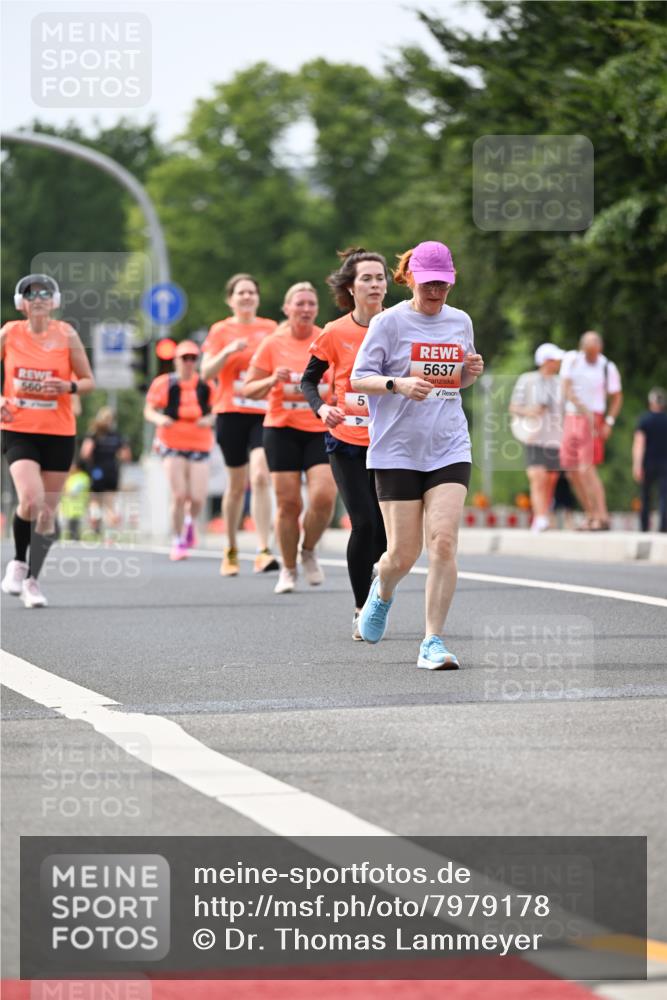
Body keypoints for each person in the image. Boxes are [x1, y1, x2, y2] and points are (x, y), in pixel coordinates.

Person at [350, 241, 484, 669]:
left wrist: (468, 374)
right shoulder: (388, 323)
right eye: (429, 283)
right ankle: (382, 589)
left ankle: (432, 641)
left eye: (444, 283)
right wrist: (398, 384)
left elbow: (452, 382)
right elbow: (358, 378)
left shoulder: (460, 321)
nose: (437, 291)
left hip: (447, 445)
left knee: (443, 542)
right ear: (410, 279)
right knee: (402, 555)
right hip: (397, 450)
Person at [301, 248, 388, 639]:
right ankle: (360, 608)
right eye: (366, 278)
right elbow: (308, 380)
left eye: (380, 277)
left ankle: (378, 598)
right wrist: (321, 409)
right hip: (346, 441)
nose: (375, 284)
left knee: (388, 534)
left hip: (392, 441)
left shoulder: (399, 324)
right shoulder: (335, 332)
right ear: (351, 288)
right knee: (364, 523)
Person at [1, 273, 95, 607]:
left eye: (44, 293)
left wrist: (68, 387)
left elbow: (87, 380)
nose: (38, 297)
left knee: (47, 512)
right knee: (30, 498)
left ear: (53, 301)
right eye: (31, 293)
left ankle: (32, 580)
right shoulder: (9, 333)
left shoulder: (66, 333)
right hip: (19, 428)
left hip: (59, 431)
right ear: (21, 303)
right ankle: (18, 561)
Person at [243, 282, 337, 594]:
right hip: (281, 429)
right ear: (287, 309)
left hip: (320, 428)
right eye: (300, 304)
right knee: (288, 504)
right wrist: (273, 379)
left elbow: (345, 379)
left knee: (324, 496)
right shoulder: (272, 343)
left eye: (311, 304)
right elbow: (248, 388)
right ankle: (288, 567)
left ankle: (307, 549)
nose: (306, 309)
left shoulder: (327, 338)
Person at [201, 274, 279, 577]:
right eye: (240, 293)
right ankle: (231, 548)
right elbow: (206, 372)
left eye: (251, 292)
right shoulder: (221, 330)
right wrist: (227, 351)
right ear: (230, 299)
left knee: (260, 476)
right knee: (235, 485)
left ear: (257, 298)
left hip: (262, 411)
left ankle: (262, 549)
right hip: (230, 411)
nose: (246, 297)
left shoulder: (270, 329)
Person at [144, 340, 215, 561]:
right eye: (184, 358)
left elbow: (218, 410)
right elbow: (149, 409)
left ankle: (189, 522)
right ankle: (177, 539)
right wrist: (160, 419)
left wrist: (209, 419)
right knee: (179, 494)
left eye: (193, 358)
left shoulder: (205, 384)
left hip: (199, 441)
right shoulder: (164, 383)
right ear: (176, 360)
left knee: (198, 497)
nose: (189, 363)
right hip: (172, 440)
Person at [560, 331, 622, 530]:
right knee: (571, 471)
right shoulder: (572, 360)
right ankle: (590, 512)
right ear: (582, 348)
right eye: (589, 353)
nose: (592, 356)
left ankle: (601, 515)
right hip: (573, 415)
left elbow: (617, 396)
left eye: (595, 353)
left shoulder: (607, 366)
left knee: (587, 467)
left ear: (600, 349)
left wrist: (609, 422)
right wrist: (583, 409)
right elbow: (566, 388)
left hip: (594, 417)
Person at [509, 343, 564, 532]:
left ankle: (544, 513)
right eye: (554, 359)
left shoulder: (560, 382)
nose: (557, 363)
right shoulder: (527, 380)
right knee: (537, 476)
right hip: (534, 436)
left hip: (555, 436)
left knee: (551, 479)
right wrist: (530, 412)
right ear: (545, 361)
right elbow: (514, 407)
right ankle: (540, 517)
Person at [79, 405, 131, 534]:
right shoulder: (117, 436)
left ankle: (95, 519)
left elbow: (85, 453)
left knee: (95, 499)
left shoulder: (93, 435)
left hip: (97, 470)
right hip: (112, 470)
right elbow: (126, 456)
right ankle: (113, 528)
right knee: (110, 502)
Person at [632, 387, 667, 532]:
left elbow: (639, 444)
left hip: (648, 463)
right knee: (664, 497)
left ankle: (644, 527)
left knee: (645, 496)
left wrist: (637, 465)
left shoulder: (644, 420)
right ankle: (663, 527)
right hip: (665, 463)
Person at [60, 460, 91, 540]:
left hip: (77, 508)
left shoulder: (82, 477)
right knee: (68, 532)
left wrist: (64, 491)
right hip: (68, 508)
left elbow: (73, 491)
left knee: (74, 532)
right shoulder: (72, 477)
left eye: (73, 466)